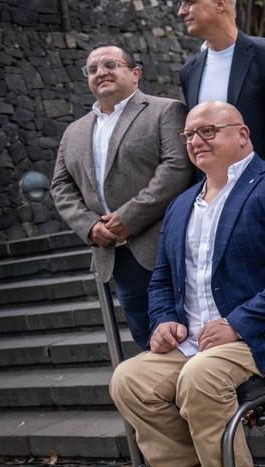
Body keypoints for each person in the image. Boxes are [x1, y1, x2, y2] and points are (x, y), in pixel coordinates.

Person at [109, 101, 265, 467]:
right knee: (128, 379)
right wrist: (162, 320)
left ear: (243, 134)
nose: (196, 140)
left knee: (200, 377)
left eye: (208, 131)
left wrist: (238, 324)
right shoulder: (180, 206)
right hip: (193, 339)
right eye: (189, 134)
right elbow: (161, 277)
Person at [51, 44, 192, 350]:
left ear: (135, 73)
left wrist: (128, 218)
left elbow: (176, 168)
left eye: (111, 65)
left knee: (187, 333)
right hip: (116, 253)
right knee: (148, 340)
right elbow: (61, 187)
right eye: (92, 69)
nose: (101, 72)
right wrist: (90, 227)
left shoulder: (164, 110)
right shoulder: (73, 132)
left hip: (162, 244)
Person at [174, 0, 265, 162]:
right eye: (181, 4)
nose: (181, 12)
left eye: (189, 2)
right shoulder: (189, 71)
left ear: (220, 3)